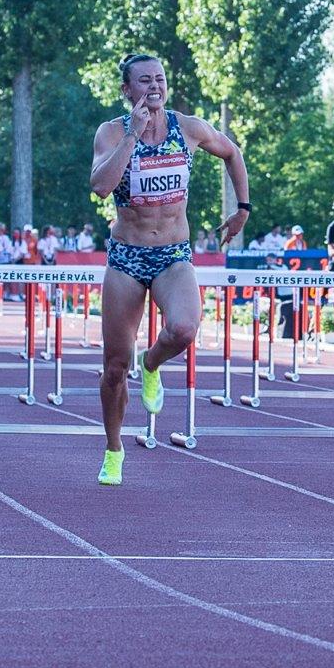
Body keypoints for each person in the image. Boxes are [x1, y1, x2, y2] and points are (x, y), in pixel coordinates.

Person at [89, 52, 249, 486]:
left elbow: (232, 152)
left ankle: (152, 362)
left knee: (183, 329)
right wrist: (133, 134)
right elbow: (100, 187)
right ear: (127, 90)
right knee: (113, 368)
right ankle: (114, 449)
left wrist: (242, 208)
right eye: (144, 81)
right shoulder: (111, 132)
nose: (155, 86)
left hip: (173, 254)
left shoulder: (188, 127)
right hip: (127, 256)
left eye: (159, 79)